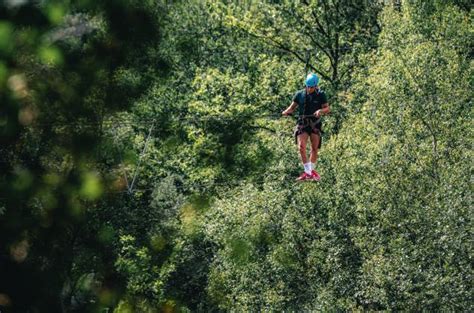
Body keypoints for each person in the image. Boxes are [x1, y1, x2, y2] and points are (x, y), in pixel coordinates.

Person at [282, 73, 330, 181]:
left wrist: (320, 111)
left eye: (311, 87)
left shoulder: (321, 95)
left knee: (314, 148)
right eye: (308, 86)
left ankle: (310, 172)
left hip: (315, 124)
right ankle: (308, 172)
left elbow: (327, 109)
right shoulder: (299, 94)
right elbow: (292, 108)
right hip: (302, 124)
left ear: (316, 86)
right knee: (301, 147)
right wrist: (286, 112)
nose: (309, 89)